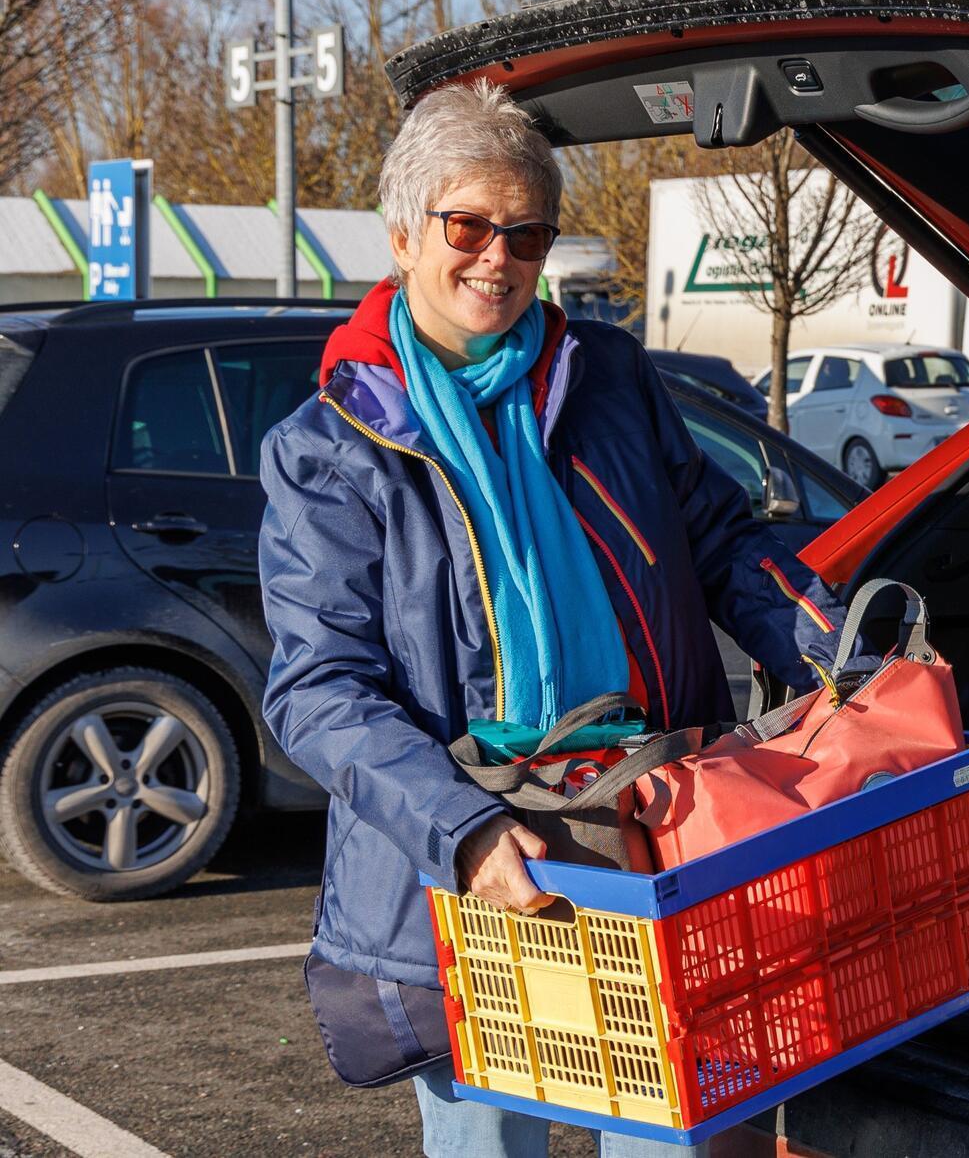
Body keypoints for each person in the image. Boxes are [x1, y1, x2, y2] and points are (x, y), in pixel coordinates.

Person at [258, 79, 851, 1157]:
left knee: (679, 1136)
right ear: (403, 235)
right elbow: (318, 690)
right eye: (468, 226)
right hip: (474, 868)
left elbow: (722, 541)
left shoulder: (608, 376)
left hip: (653, 827)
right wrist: (466, 832)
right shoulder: (329, 445)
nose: (498, 257)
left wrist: (840, 657)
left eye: (526, 233)